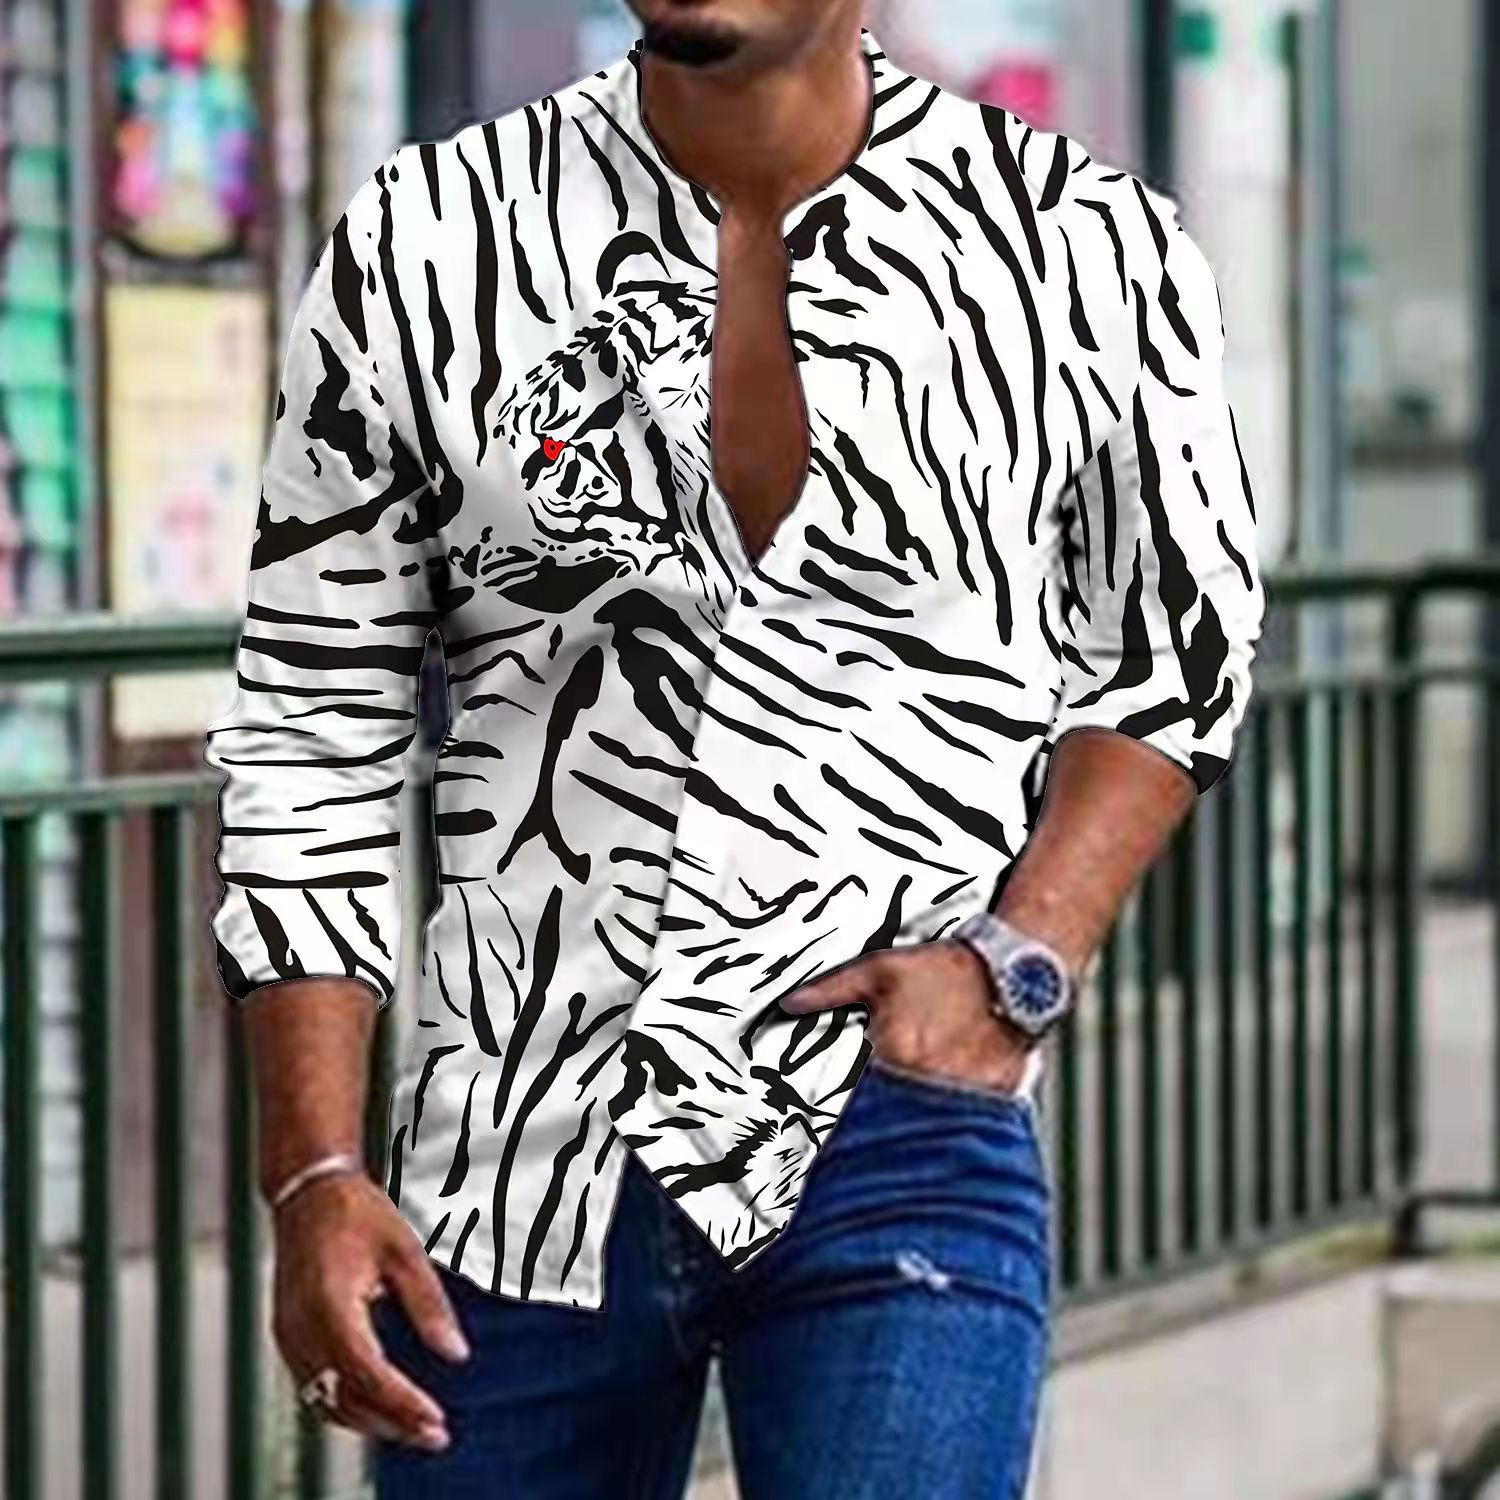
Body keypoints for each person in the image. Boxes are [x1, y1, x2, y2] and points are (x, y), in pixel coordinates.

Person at [204, 1, 1264, 1495]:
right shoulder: (427, 238)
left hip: (894, 1124)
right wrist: (309, 1169)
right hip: (515, 1155)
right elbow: (316, 718)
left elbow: (1178, 654)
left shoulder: (1085, 246)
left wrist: (1020, 962)